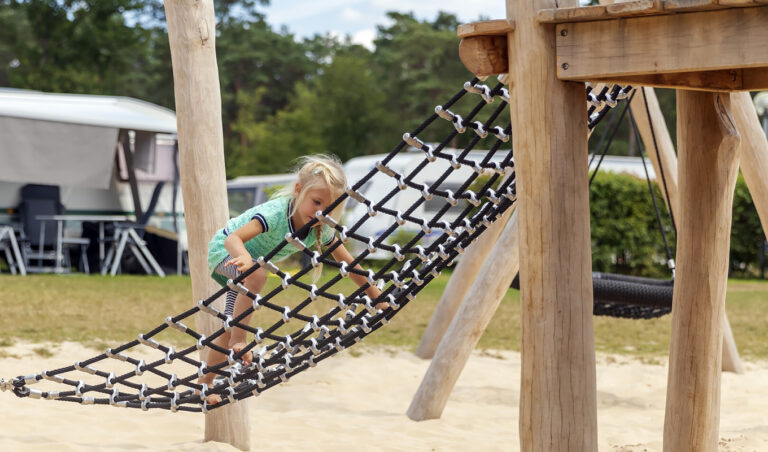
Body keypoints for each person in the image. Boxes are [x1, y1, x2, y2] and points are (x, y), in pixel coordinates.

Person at [200, 154, 384, 405]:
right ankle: (240, 341)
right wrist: (243, 257)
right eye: (316, 202)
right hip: (226, 253)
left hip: (249, 270)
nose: (321, 212)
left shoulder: (321, 228)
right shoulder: (275, 214)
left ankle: (206, 383)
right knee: (256, 275)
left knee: (230, 323)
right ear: (299, 190)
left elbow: (348, 263)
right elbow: (233, 239)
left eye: (328, 209)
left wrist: (376, 296)